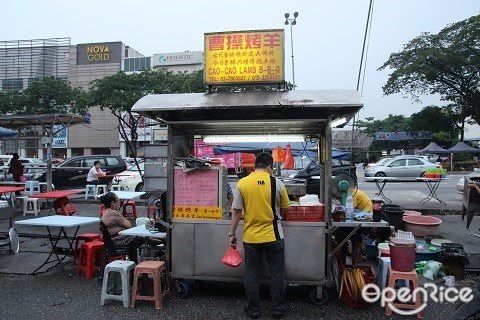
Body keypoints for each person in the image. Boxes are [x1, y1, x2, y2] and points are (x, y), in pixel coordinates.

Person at [229, 152, 290, 319]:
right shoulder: (277, 183)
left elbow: (236, 211)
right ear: (270, 167)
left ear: (255, 165)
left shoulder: (243, 183)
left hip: (251, 238)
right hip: (274, 236)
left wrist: (232, 233)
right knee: (277, 274)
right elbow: (285, 208)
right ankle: (278, 310)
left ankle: (253, 310)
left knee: (252, 275)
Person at [334, 189, 373, 267]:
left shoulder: (352, 195)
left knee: (356, 240)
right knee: (341, 238)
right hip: (354, 216)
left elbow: (348, 210)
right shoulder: (344, 194)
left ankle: (354, 266)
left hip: (364, 214)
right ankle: (342, 266)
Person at [100, 192, 139, 263]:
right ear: (112, 203)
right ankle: (135, 264)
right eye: (118, 200)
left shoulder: (105, 212)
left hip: (111, 241)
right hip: (117, 240)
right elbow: (128, 225)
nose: (120, 202)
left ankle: (133, 264)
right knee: (139, 239)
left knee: (135, 240)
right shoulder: (113, 213)